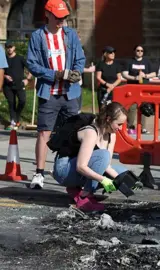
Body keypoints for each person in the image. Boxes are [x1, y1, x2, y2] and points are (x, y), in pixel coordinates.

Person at [26, 0, 86, 189]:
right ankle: (39, 174)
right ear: (48, 15)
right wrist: (56, 74)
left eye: (64, 17)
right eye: (58, 17)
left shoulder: (71, 35)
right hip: (49, 92)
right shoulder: (37, 37)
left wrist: (76, 72)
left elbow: (80, 58)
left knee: (75, 133)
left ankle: (74, 171)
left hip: (70, 93)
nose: (62, 21)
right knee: (44, 132)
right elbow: (32, 64)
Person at [53, 102, 128, 212]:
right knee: (103, 155)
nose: (121, 128)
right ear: (108, 119)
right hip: (64, 170)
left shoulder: (112, 135)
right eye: (119, 124)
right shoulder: (91, 132)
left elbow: (106, 166)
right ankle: (84, 197)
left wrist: (124, 182)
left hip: (76, 169)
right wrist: (103, 179)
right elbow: (81, 167)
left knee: (122, 173)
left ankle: (76, 189)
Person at [122, 45, 156, 135]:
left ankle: (143, 128)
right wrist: (134, 77)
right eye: (138, 50)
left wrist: (145, 76)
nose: (140, 52)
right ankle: (130, 127)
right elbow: (124, 74)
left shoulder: (147, 61)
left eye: (141, 51)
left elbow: (154, 73)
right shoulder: (129, 61)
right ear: (134, 51)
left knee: (145, 108)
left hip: (144, 88)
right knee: (132, 108)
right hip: (132, 88)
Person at [3, 41, 32, 130]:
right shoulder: (4, 59)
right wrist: (5, 76)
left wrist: (27, 79)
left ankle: (16, 116)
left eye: (11, 47)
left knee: (22, 101)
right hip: (7, 85)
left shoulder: (20, 58)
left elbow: (31, 68)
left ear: (14, 47)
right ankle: (13, 121)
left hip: (19, 84)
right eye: (7, 47)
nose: (9, 49)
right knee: (11, 103)